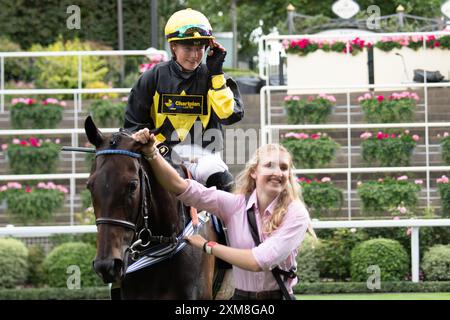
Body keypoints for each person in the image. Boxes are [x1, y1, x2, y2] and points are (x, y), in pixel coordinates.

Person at [131, 128, 311, 300]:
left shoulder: (296, 214)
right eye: (269, 166)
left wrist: (208, 246)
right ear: (254, 172)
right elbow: (179, 186)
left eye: (284, 167)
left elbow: (259, 261)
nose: (277, 173)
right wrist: (152, 152)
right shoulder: (235, 205)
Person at [124, 8, 244, 192]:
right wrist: (156, 148)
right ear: (173, 46)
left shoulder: (215, 78)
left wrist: (217, 74)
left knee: (226, 182)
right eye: (188, 48)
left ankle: (234, 222)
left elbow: (228, 115)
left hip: (204, 156)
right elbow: (133, 124)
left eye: (200, 48)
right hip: (158, 152)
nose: (195, 55)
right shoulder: (151, 77)